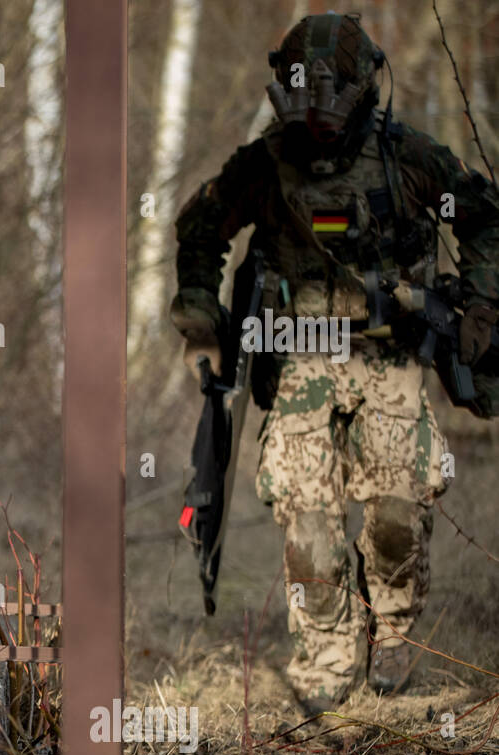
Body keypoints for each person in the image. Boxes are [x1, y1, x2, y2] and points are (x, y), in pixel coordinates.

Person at [170, 13, 499, 715]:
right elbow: (200, 222)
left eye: (327, 105)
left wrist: (479, 310)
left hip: (390, 354)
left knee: (392, 514)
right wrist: (200, 307)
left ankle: (392, 626)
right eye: (301, 104)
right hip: (300, 362)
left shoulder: (409, 161)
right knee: (309, 523)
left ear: (356, 92)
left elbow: (482, 218)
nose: (316, 125)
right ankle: (325, 647)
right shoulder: (264, 167)